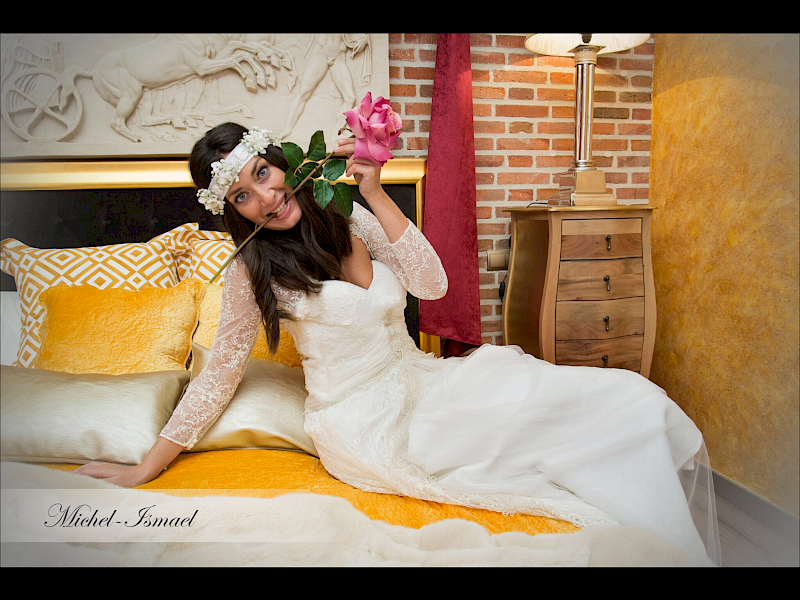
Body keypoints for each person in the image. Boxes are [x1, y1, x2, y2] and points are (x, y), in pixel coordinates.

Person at [75, 122, 721, 564]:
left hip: (421, 381)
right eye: (243, 195)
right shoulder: (251, 272)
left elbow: (430, 283)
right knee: (507, 449)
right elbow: (216, 377)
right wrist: (142, 467)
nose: (266, 197)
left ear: (283, 162)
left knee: (605, 397)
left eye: (265, 174)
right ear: (232, 211)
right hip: (361, 422)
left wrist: (375, 194)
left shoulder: (343, 213)